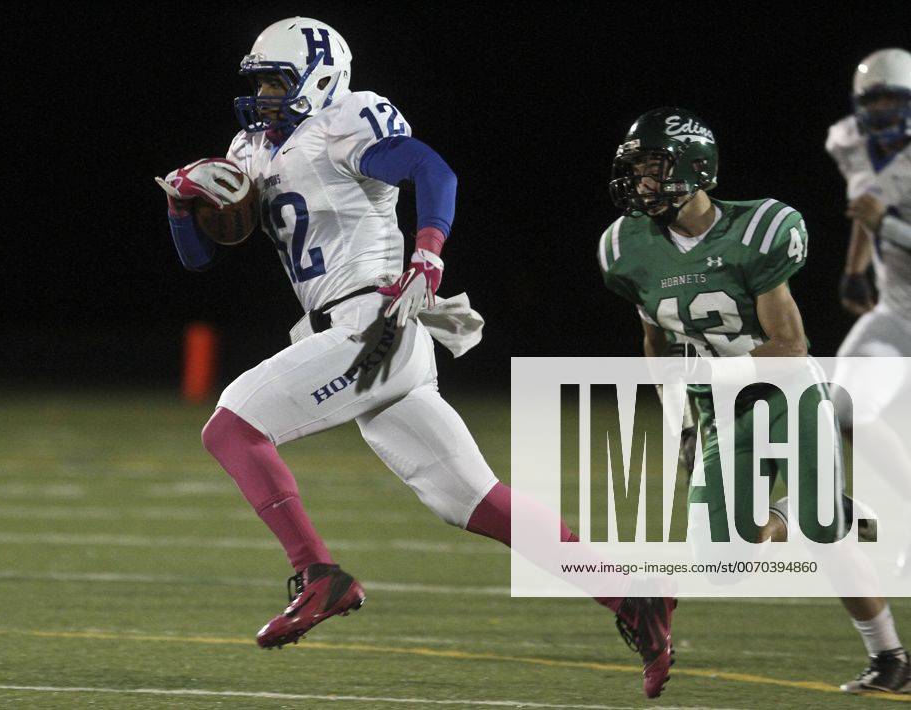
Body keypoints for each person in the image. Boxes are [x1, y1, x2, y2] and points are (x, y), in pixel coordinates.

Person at [156, 17, 675, 699]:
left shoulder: (345, 122)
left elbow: (432, 169)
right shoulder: (251, 147)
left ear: (321, 80)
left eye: (278, 82)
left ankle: (319, 574)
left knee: (231, 426)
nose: (264, 97)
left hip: (376, 319)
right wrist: (182, 203)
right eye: (259, 84)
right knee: (473, 500)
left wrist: (427, 254)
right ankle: (632, 599)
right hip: (346, 334)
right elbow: (197, 258)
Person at [599, 106, 908, 694]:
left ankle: (889, 657)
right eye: (635, 171)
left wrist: (717, 376)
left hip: (787, 395)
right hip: (719, 411)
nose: (640, 184)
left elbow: (790, 345)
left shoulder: (757, 230)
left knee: (823, 536)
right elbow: (655, 343)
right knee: (722, 565)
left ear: (694, 168)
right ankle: (825, 513)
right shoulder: (627, 247)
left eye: (652, 169)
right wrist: (679, 423)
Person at [827, 48, 911, 585]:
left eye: (891, 99)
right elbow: (867, 201)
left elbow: (880, 213)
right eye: (871, 99)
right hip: (898, 310)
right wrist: (855, 268)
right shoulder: (851, 141)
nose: (879, 110)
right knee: (841, 405)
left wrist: (889, 226)